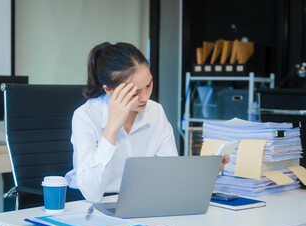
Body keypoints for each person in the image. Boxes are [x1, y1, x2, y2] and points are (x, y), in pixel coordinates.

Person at [65, 42, 229, 203]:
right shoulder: (85, 116)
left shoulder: (155, 111)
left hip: (143, 201)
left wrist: (205, 171)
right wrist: (112, 128)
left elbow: (170, 174)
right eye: (134, 92)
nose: (145, 97)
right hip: (95, 205)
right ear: (109, 90)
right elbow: (91, 193)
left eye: (148, 85)